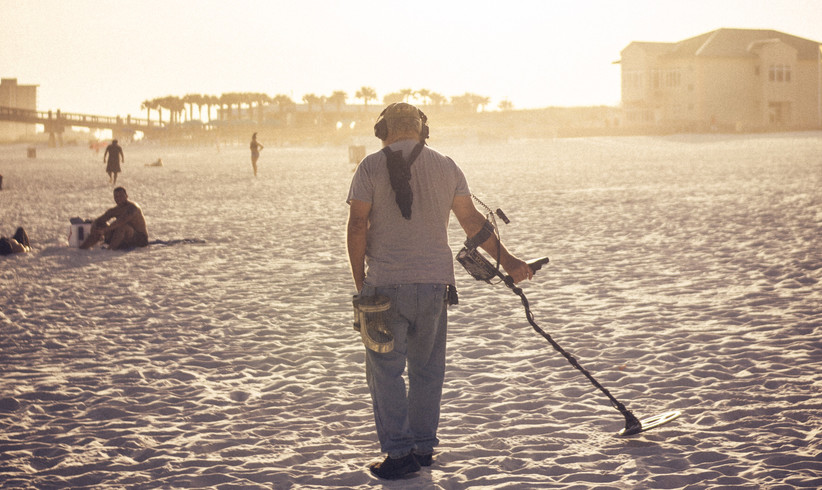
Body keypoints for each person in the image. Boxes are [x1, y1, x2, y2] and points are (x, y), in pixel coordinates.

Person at [346, 103, 533, 480]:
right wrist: (510, 261)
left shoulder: (369, 166)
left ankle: (400, 455)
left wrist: (359, 281)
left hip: (384, 285)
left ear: (383, 131)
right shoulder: (446, 165)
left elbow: (357, 226)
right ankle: (423, 447)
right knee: (428, 370)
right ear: (423, 131)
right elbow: (472, 222)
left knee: (385, 373)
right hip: (434, 286)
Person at [80, 187, 148, 250]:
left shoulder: (133, 208)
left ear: (126, 196)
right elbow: (100, 219)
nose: (118, 199)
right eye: (116, 197)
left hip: (139, 239)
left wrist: (105, 230)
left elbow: (122, 221)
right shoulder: (115, 210)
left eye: (121, 196)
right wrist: (95, 226)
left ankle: (110, 250)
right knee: (100, 224)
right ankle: (83, 248)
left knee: (123, 227)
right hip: (122, 238)